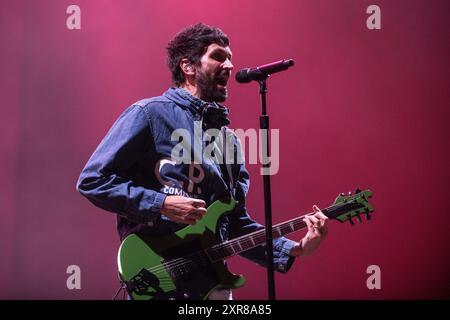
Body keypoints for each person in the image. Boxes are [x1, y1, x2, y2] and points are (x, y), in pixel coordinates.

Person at [76, 23, 328, 300]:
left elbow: (233, 224)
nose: (230, 65)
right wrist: (160, 204)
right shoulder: (150, 114)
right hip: (157, 278)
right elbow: (93, 180)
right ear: (188, 66)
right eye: (219, 56)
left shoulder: (228, 141)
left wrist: (296, 248)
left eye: (231, 58)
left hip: (213, 286)